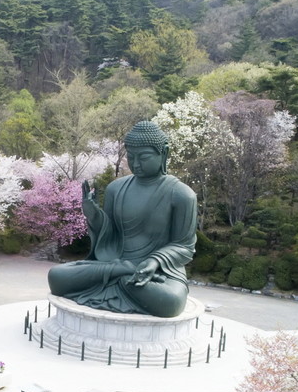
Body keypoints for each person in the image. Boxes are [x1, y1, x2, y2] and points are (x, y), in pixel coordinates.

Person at [46, 120, 197, 318]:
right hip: (116, 263)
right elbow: (110, 234)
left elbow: (184, 246)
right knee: (56, 276)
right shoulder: (116, 188)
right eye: (131, 157)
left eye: (144, 157)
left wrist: (154, 261)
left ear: (164, 153)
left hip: (160, 271)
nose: (136, 164)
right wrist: (93, 214)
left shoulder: (182, 194)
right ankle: (123, 272)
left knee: (170, 302)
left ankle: (122, 277)